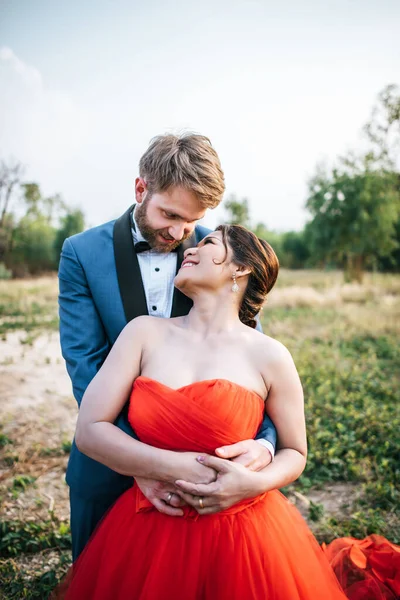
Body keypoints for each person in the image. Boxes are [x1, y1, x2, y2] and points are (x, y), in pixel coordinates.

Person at [54, 224, 348, 599]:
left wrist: (252, 483)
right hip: (147, 528)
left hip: (244, 533)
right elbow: (91, 429)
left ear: (240, 269)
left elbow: (295, 451)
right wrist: (171, 468)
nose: (189, 249)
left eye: (208, 243)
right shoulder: (142, 334)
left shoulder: (270, 355)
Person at [58, 133, 277, 561]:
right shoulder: (81, 254)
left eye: (192, 221)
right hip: (109, 461)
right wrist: (141, 462)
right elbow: (86, 365)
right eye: (169, 214)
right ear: (141, 189)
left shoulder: (221, 253)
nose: (180, 234)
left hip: (208, 475)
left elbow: (251, 360)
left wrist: (265, 444)